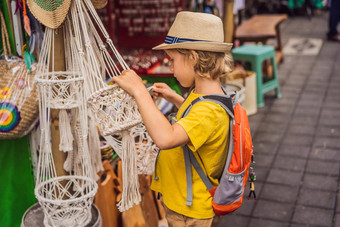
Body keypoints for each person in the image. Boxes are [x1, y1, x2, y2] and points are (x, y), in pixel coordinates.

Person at [112, 11, 233, 227]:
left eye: (173, 59)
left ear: (193, 58)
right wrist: (176, 98)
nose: (170, 66)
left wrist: (140, 91)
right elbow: (194, 119)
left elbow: (166, 138)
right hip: (183, 202)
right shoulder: (208, 95)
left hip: (190, 212)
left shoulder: (209, 112)